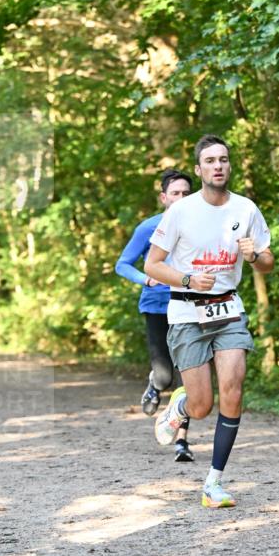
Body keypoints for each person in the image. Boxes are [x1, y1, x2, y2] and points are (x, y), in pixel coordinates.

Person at [144, 134, 274, 508]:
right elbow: (152, 265)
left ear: (229, 166)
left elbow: (268, 262)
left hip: (229, 308)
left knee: (233, 390)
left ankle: (213, 483)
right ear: (200, 169)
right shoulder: (180, 212)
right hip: (187, 311)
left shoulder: (246, 210)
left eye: (224, 159)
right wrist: (186, 279)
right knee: (202, 406)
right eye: (210, 161)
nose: (218, 165)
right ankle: (181, 407)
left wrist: (253, 257)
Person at [115, 168, 195, 463]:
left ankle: (182, 442)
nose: (181, 198)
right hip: (157, 306)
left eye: (187, 193)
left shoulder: (201, 227)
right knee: (165, 375)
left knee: (188, 374)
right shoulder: (148, 228)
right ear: (164, 197)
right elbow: (122, 264)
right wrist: (145, 279)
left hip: (190, 306)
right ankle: (155, 384)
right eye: (175, 193)